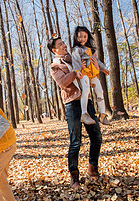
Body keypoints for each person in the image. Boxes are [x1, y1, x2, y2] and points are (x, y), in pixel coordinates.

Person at [47, 36, 102, 189]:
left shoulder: (76, 57)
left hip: (86, 101)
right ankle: (74, 177)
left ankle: (92, 168)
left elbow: (89, 69)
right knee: (76, 141)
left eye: (64, 43)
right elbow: (63, 82)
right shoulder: (55, 66)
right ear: (54, 50)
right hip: (72, 104)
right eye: (60, 44)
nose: (64, 45)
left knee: (96, 136)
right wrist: (75, 72)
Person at [71, 26, 110, 125]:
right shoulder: (77, 49)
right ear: (75, 37)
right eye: (80, 37)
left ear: (88, 37)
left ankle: (102, 114)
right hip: (84, 73)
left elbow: (96, 60)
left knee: (100, 91)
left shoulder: (90, 49)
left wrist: (103, 68)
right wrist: (77, 70)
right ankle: (84, 114)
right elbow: (75, 60)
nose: (82, 39)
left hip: (93, 74)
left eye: (85, 36)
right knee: (86, 89)